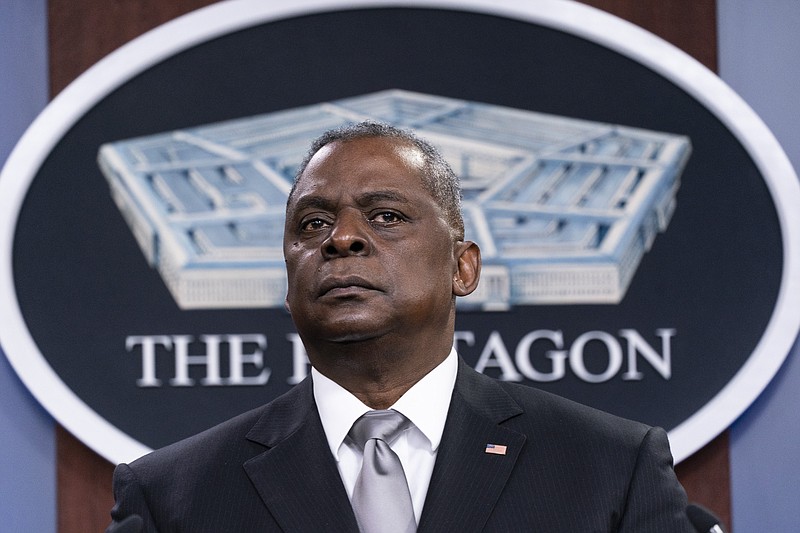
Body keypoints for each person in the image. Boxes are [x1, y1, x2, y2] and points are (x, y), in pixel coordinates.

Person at [107, 122, 694, 532]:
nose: (340, 238)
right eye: (311, 224)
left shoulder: (610, 466)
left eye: (386, 216)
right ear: (287, 279)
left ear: (463, 267)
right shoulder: (171, 496)